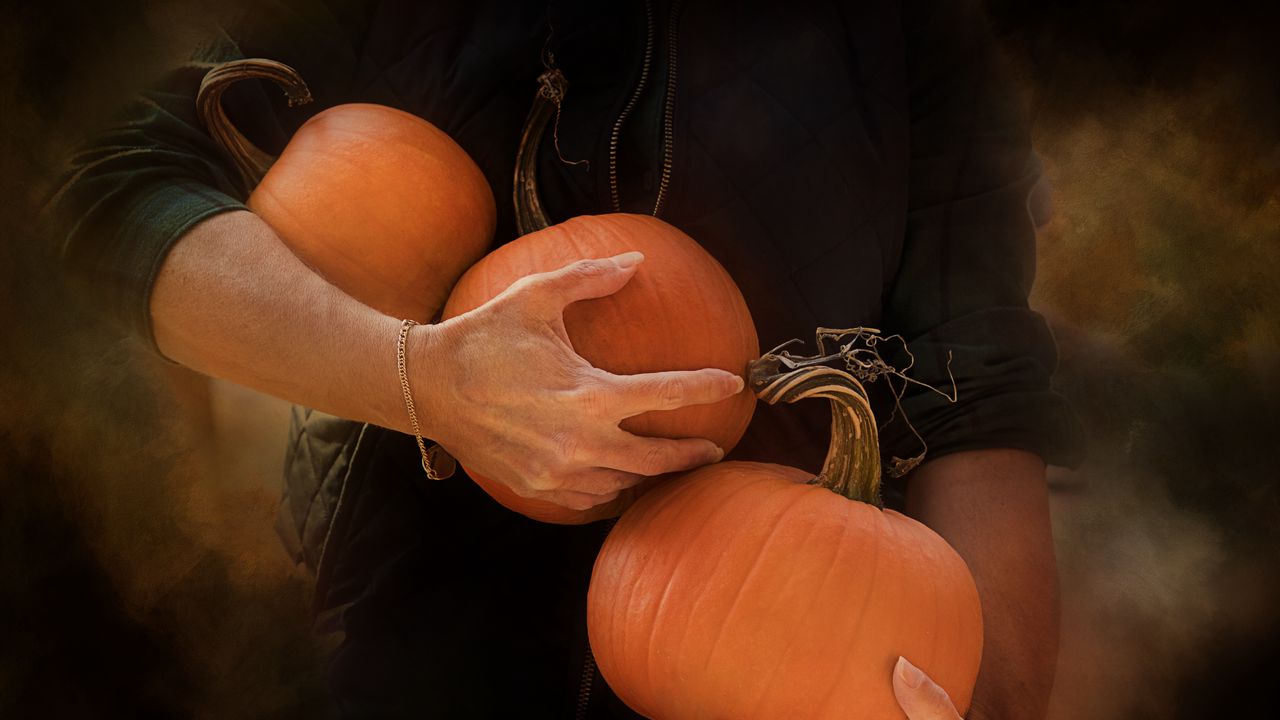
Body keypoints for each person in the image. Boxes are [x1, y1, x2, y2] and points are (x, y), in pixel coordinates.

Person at [51, 0, 1084, 717]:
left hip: (791, 635)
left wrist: (987, 706)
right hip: (421, 635)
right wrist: (423, 379)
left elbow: (971, 382)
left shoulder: (912, 32)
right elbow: (114, 192)